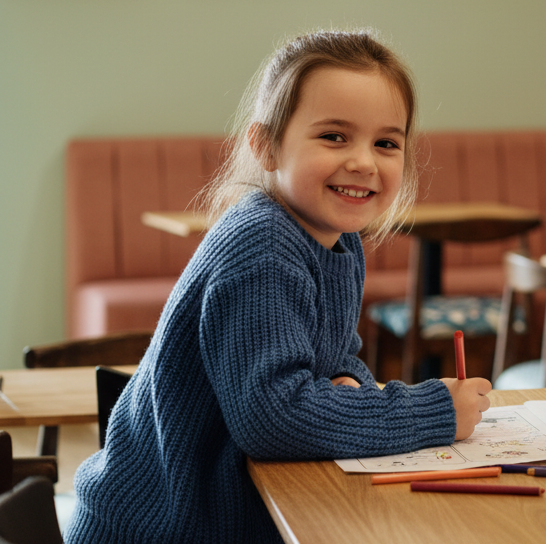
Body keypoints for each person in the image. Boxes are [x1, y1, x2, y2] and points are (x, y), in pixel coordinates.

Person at [68, 30, 491, 544]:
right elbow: (274, 419)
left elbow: (336, 358)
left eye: (386, 142)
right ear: (266, 145)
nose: (363, 161)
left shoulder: (338, 239)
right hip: (161, 530)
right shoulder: (263, 244)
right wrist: (433, 411)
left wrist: (344, 385)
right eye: (334, 136)